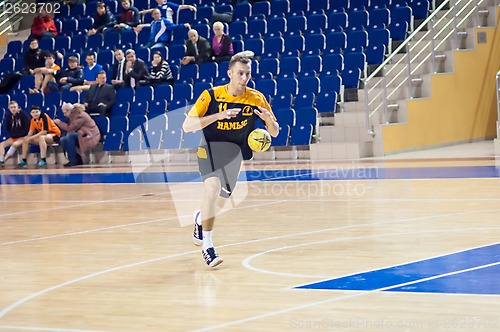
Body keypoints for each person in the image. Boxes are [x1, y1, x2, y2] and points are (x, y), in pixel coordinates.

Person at [182, 51, 279, 267]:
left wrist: (268, 121)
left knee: (220, 202)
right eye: (240, 73)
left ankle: (199, 219)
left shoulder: (256, 98)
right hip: (209, 149)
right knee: (211, 188)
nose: (244, 78)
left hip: (235, 155)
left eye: (247, 74)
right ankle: (208, 246)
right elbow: (187, 126)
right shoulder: (212, 95)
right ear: (229, 74)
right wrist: (218, 116)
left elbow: (274, 132)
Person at [54, 103, 101, 167]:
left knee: (69, 137)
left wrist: (59, 123)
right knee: (63, 139)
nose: (64, 115)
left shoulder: (79, 115)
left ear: (69, 111)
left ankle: (74, 160)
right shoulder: (74, 115)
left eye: (65, 113)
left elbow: (70, 128)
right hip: (82, 134)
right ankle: (76, 159)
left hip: (90, 136)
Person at [0, 101, 31, 167]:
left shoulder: (23, 115)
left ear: (18, 107)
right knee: (1, 144)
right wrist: (13, 134)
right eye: (11, 107)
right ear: (9, 108)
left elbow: (28, 126)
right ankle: (1, 160)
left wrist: (23, 135)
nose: (13, 109)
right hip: (14, 137)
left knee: (15, 144)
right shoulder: (8, 116)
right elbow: (7, 127)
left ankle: (3, 161)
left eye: (14, 107)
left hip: (23, 136)